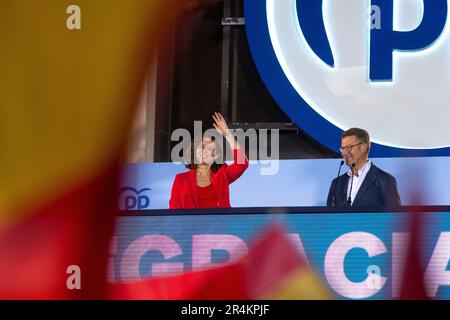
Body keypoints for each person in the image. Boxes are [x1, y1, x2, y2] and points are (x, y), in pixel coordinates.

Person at [169, 112, 248, 209]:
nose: (204, 151)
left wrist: (227, 134)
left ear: (216, 155)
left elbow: (242, 163)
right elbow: (173, 213)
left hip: (219, 224)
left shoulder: (222, 175)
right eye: (202, 146)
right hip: (190, 224)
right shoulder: (181, 180)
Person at [327, 128, 401, 208]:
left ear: (364, 147)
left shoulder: (385, 180)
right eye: (342, 148)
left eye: (348, 147)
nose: (344, 153)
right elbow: (329, 216)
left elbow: (394, 217)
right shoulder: (336, 183)